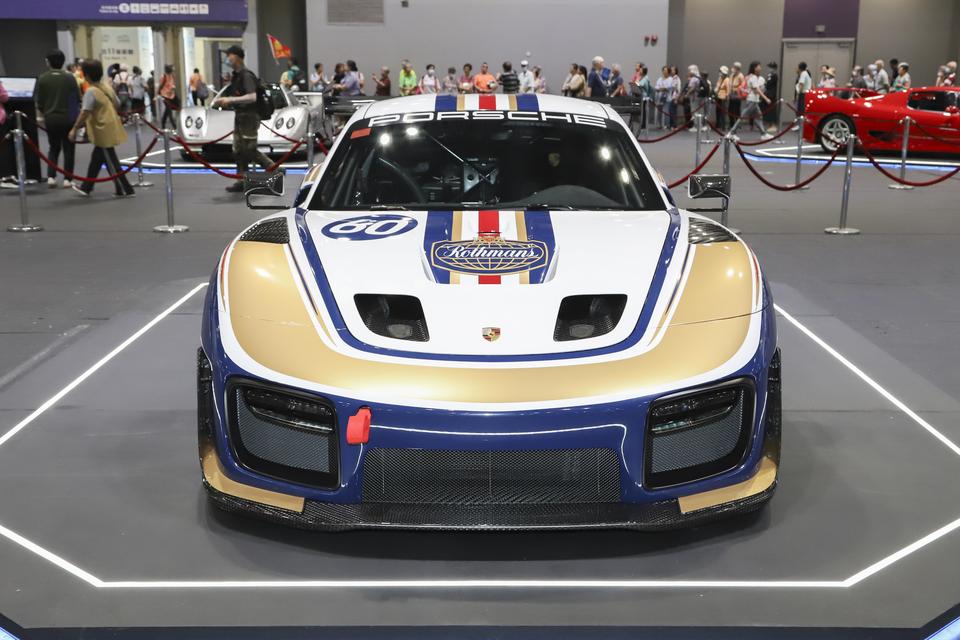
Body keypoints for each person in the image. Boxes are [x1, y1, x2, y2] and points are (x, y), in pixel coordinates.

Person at [67, 59, 134, 198]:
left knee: (110, 160)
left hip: (102, 128)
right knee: (98, 158)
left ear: (86, 75)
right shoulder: (105, 87)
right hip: (110, 125)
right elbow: (117, 103)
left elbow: (85, 112)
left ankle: (124, 189)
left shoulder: (91, 91)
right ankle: (87, 187)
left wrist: (74, 129)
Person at [212, 45, 275, 193]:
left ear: (237, 57)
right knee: (239, 150)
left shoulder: (246, 75)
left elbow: (252, 97)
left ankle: (273, 168)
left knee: (249, 149)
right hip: (241, 116)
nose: (228, 59)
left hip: (249, 117)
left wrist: (230, 100)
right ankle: (241, 180)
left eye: (229, 55)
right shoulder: (237, 75)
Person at [36, 49, 81, 189]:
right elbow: (76, 99)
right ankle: (68, 179)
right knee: (69, 149)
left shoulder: (42, 78)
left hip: (51, 118)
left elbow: (40, 102)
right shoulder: (70, 78)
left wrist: (45, 113)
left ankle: (51, 177)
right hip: (68, 118)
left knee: (53, 148)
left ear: (48, 62)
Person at [742, 61, 770, 135]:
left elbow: (759, 89)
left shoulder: (755, 77)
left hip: (754, 100)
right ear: (754, 68)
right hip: (752, 100)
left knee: (759, 117)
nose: (760, 68)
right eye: (759, 66)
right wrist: (766, 98)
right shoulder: (753, 77)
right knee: (743, 117)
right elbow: (756, 90)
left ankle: (763, 133)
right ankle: (732, 132)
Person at [630, 63, 651, 130]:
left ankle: (643, 125)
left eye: (641, 70)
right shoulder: (641, 77)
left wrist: (637, 81)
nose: (639, 71)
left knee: (643, 111)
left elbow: (640, 84)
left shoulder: (646, 78)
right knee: (641, 111)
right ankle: (640, 123)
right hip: (639, 96)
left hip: (644, 97)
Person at [158, 63, 178, 129]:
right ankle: (174, 126)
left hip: (171, 95)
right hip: (165, 96)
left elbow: (173, 84)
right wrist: (158, 94)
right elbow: (160, 86)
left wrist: (173, 89)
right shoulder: (163, 76)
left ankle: (163, 124)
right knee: (169, 111)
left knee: (167, 110)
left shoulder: (172, 76)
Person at [681, 64, 700, 129]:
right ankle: (697, 125)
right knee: (697, 111)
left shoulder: (694, 78)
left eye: (689, 70)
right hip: (697, 97)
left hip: (694, 97)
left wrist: (687, 94)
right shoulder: (699, 77)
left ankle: (695, 126)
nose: (688, 72)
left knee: (694, 111)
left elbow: (692, 88)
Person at [764, 61, 779, 130]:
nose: (769, 69)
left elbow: (769, 84)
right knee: (768, 110)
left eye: (771, 67)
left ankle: (773, 125)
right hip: (767, 94)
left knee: (772, 110)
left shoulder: (774, 75)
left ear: (774, 68)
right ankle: (770, 124)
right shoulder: (769, 75)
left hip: (772, 95)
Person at [715, 65, 730, 130]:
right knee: (717, 111)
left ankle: (723, 126)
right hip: (718, 97)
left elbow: (728, 89)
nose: (720, 73)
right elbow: (717, 86)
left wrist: (727, 96)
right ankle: (718, 124)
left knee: (723, 113)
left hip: (724, 98)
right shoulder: (720, 79)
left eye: (720, 71)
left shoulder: (727, 80)